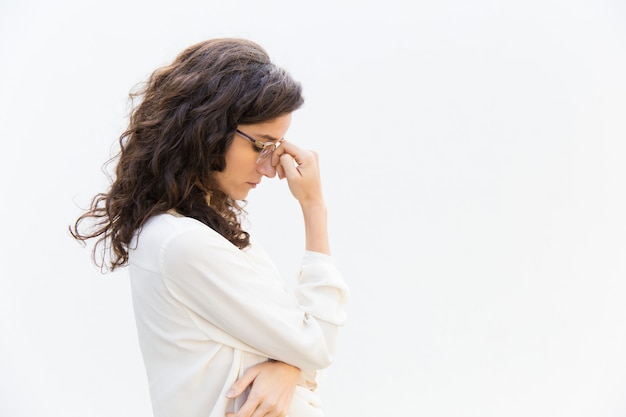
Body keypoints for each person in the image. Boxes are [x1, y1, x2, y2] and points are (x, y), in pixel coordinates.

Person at [70, 38, 349, 417]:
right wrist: (314, 207)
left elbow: (304, 344)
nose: (271, 168)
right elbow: (318, 345)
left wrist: (289, 365)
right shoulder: (183, 243)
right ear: (207, 129)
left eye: (277, 149)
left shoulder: (196, 232)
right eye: (260, 146)